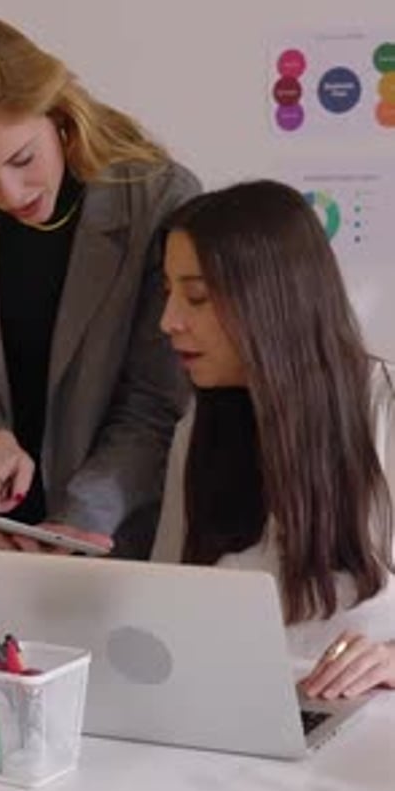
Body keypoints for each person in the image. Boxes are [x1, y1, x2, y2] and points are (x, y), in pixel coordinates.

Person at [0, 14, 201, 621]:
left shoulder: (158, 200)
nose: (10, 195)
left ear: (60, 115)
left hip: (108, 547)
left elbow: (154, 404)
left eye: (22, 158)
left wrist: (71, 527)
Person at [154, 179, 395, 700]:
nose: (168, 321)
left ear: (269, 300)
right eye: (168, 292)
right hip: (227, 712)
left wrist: (389, 659)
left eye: (196, 296)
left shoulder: (384, 409)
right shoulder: (197, 430)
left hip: (362, 726)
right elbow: (169, 608)